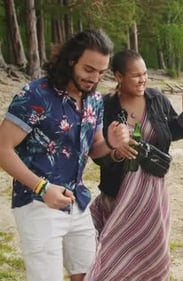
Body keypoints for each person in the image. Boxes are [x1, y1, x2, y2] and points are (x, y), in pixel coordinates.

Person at [0, 29, 130, 281]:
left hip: (77, 201)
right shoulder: (35, 95)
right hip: (38, 202)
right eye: (89, 69)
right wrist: (42, 187)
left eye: (101, 72)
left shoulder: (94, 100)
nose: (94, 78)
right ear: (71, 60)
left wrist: (111, 143)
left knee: (89, 275)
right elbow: (2, 148)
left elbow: (95, 147)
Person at [85, 49, 183, 281]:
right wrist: (115, 151)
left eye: (145, 74)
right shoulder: (105, 106)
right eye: (136, 75)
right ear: (119, 76)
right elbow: (97, 152)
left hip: (153, 195)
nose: (143, 79)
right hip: (117, 194)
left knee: (153, 256)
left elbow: (171, 132)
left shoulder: (157, 99)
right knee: (112, 256)